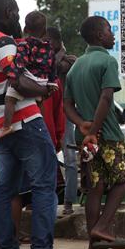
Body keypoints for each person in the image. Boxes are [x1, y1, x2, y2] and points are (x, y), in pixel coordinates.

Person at [0, 0, 67, 249]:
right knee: (44, 186)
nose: (18, 17)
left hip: (0, 128)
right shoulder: (4, 43)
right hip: (25, 121)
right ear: (8, 12)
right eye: (16, 12)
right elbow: (16, 79)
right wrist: (45, 90)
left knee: (4, 190)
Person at [64, 16, 125, 249]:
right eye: (109, 30)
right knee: (124, 179)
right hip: (107, 134)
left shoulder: (76, 66)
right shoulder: (107, 61)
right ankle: (102, 227)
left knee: (95, 187)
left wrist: (81, 124)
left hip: (83, 137)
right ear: (99, 36)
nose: (112, 34)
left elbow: (67, 104)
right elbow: (106, 99)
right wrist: (94, 128)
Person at [0, 11, 57, 139]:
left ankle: (6, 126)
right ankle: (42, 126)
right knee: (39, 103)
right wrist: (52, 82)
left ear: (25, 29)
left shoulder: (24, 45)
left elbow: (20, 62)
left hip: (29, 79)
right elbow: (53, 66)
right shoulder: (49, 48)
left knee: (10, 98)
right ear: (44, 30)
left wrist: (13, 77)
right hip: (43, 81)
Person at [45, 26, 78, 216]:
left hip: (64, 115)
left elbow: (60, 67)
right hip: (46, 113)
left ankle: (68, 202)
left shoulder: (69, 60)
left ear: (57, 42)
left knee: (70, 159)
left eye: (48, 41)